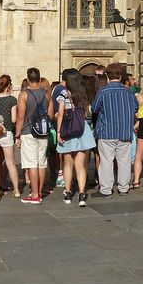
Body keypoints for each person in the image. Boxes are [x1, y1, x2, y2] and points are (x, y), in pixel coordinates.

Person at [90, 62, 138, 197]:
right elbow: (136, 108)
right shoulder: (128, 92)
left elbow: (94, 109)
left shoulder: (103, 92)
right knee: (124, 161)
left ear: (107, 76)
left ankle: (106, 189)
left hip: (107, 131)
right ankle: (123, 187)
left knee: (106, 161)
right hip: (124, 131)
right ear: (121, 75)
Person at [55, 69, 97, 207]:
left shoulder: (63, 93)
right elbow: (86, 112)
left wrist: (59, 132)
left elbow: (60, 114)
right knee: (80, 165)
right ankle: (81, 194)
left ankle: (67, 193)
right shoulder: (83, 93)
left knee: (68, 164)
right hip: (81, 130)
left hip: (67, 130)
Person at [15, 67, 53, 204]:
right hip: (43, 131)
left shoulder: (24, 95)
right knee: (42, 163)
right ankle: (40, 192)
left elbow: (20, 117)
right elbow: (50, 114)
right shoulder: (47, 93)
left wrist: (17, 135)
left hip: (28, 131)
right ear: (39, 77)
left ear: (28, 78)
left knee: (31, 163)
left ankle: (35, 194)